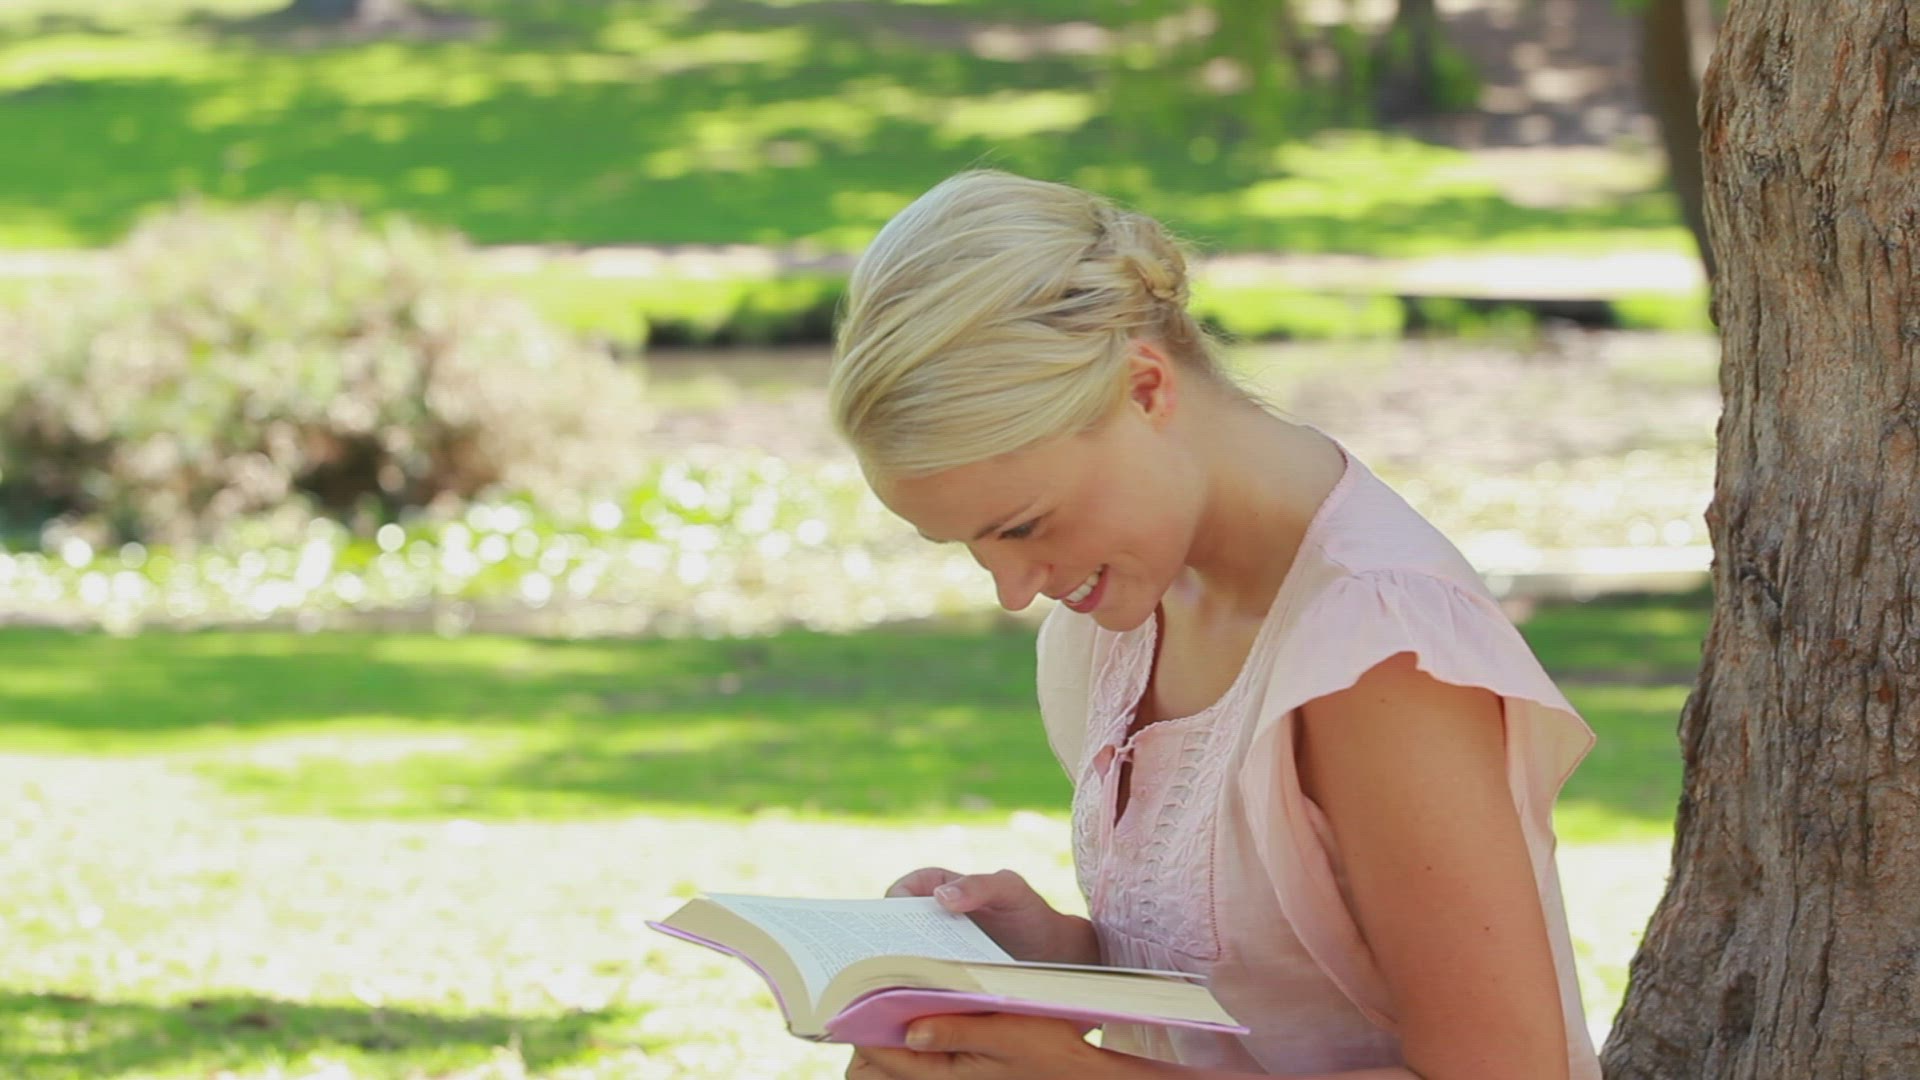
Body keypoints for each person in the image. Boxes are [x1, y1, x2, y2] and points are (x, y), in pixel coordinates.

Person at [825, 170, 1601, 1080]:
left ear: (1144, 389)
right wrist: (1060, 961)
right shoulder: (1129, 606)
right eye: (967, 544)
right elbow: (1273, 998)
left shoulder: (1378, 650)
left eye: (1024, 526)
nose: (1013, 588)